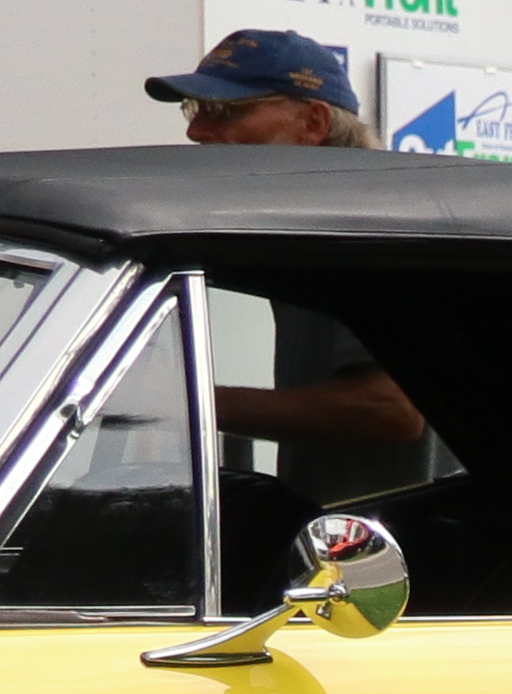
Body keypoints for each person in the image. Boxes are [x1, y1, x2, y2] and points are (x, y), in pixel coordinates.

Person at [139, 28, 429, 480]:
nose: (196, 131)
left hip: (400, 543)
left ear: (313, 123)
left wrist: (183, 401)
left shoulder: (362, 228)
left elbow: (390, 410)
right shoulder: (311, 226)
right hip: (342, 537)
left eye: (223, 111)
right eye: (193, 109)